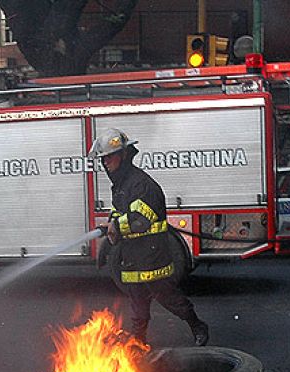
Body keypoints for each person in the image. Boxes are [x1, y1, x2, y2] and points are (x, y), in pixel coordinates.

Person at [88, 128, 209, 346]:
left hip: (152, 254)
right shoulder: (122, 184)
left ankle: (197, 326)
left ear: (123, 155)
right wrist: (111, 222)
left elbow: (140, 221)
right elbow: (121, 211)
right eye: (103, 159)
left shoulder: (141, 184)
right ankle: (139, 343)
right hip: (133, 254)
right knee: (137, 303)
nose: (105, 163)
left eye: (109, 157)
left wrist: (115, 225)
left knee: (168, 297)